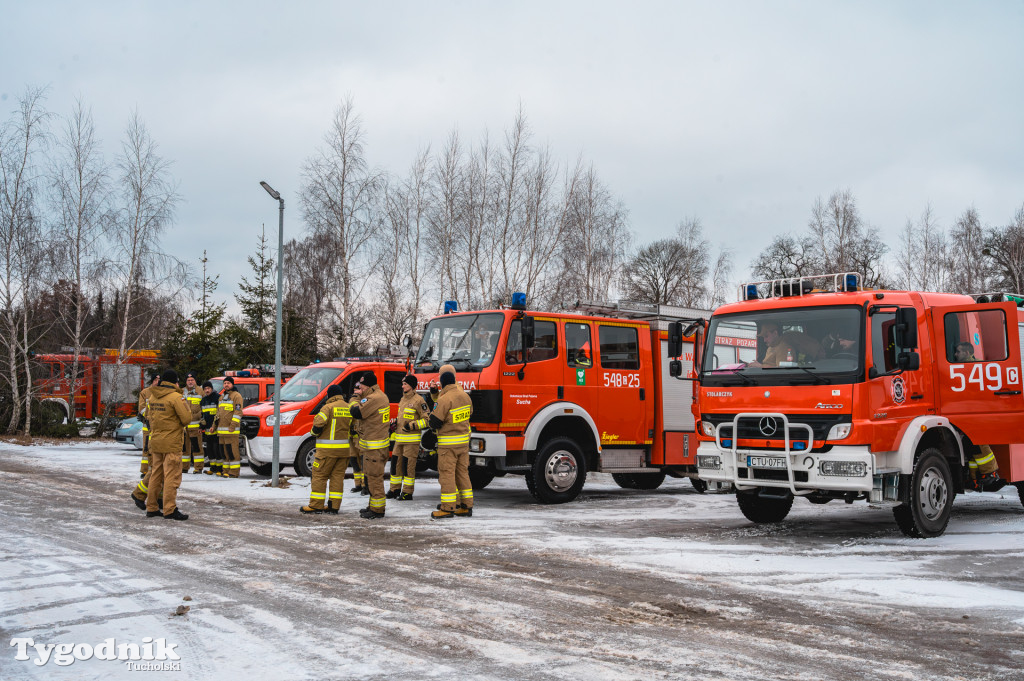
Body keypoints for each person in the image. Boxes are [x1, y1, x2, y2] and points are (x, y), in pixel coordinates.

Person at [145, 370, 193, 520]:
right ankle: (169, 509)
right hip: (172, 442)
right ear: (174, 382)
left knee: (155, 475)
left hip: (156, 440)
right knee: (172, 476)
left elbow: (148, 417)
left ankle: (151, 507)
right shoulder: (176, 397)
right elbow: (186, 419)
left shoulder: (153, 396)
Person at [953, 342, 1002, 489]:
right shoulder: (964, 368)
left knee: (979, 444)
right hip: (969, 411)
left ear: (968, 353)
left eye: (959, 351)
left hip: (977, 411)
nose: (956, 354)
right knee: (970, 446)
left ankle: (991, 472)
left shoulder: (976, 367)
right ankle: (974, 478)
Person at [429, 364, 474, 519]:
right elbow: (470, 413)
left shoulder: (445, 399)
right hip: (463, 443)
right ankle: (466, 506)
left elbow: (434, 421)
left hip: (448, 445)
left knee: (446, 475)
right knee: (463, 473)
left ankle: (447, 508)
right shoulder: (465, 395)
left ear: (442, 382)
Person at [300, 384, 352, 514]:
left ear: (330, 395)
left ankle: (316, 505)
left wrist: (314, 432)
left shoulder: (327, 408)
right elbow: (354, 428)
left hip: (327, 452)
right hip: (344, 451)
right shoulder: (348, 408)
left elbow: (318, 425)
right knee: (337, 478)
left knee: (319, 476)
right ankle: (334, 506)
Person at [348, 372, 391, 519]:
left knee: (374, 478)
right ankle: (373, 506)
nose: (361, 388)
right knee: (372, 478)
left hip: (375, 448)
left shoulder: (374, 398)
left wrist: (354, 398)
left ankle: (378, 510)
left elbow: (356, 412)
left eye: (362, 386)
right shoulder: (378, 396)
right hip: (374, 446)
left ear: (369, 385)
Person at [390, 375, 430, 500]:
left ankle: (407, 492)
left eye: (405, 384)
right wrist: (395, 422)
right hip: (399, 439)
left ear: (412, 386)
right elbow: (403, 418)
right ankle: (394, 490)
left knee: (408, 467)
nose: (402, 386)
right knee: (395, 465)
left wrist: (412, 426)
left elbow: (427, 420)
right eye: (402, 384)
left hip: (411, 441)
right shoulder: (402, 399)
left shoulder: (419, 401)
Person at [748, 320, 824, 368]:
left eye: (766, 336)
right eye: (763, 337)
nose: (764, 340)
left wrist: (760, 366)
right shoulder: (770, 347)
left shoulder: (784, 347)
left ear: (775, 333)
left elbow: (782, 371)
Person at [215, 377, 245, 478]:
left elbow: (238, 412)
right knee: (224, 452)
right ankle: (226, 471)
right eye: (225, 383)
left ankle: (234, 472)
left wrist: (232, 426)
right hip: (221, 431)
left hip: (231, 431)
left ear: (232, 384)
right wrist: (213, 426)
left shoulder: (237, 396)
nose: (226, 385)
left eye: (228, 383)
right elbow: (218, 413)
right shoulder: (221, 397)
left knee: (232, 452)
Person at [137, 373, 161, 477]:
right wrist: (149, 416)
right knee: (146, 448)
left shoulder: (162, 392)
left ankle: (153, 470)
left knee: (156, 448)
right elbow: (142, 408)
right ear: (152, 381)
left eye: (159, 380)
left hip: (158, 426)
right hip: (147, 425)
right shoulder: (145, 392)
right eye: (155, 380)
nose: (157, 382)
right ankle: (145, 470)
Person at [181, 373, 205, 474]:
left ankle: (198, 468)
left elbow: (204, 407)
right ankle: (184, 467)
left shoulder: (201, 391)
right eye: (188, 380)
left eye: (192, 380)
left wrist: (202, 421)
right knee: (184, 448)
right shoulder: (181, 391)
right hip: (184, 426)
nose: (190, 382)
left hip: (196, 425)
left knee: (197, 447)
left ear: (195, 381)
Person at [348, 382, 367, 495]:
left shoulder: (364, 401)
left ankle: (365, 485)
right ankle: (358, 484)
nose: (356, 391)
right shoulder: (352, 401)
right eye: (355, 389)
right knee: (354, 461)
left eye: (358, 389)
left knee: (363, 461)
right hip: (351, 436)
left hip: (361, 436)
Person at [199, 381, 221, 475]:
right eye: (205, 389)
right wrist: (201, 426)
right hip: (207, 430)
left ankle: (220, 469)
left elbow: (219, 413)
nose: (207, 390)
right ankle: (213, 468)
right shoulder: (203, 401)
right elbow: (203, 415)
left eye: (208, 388)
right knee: (210, 449)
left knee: (217, 449)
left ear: (211, 389)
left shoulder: (218, 398)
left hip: (216, 429)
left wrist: (214, 425)